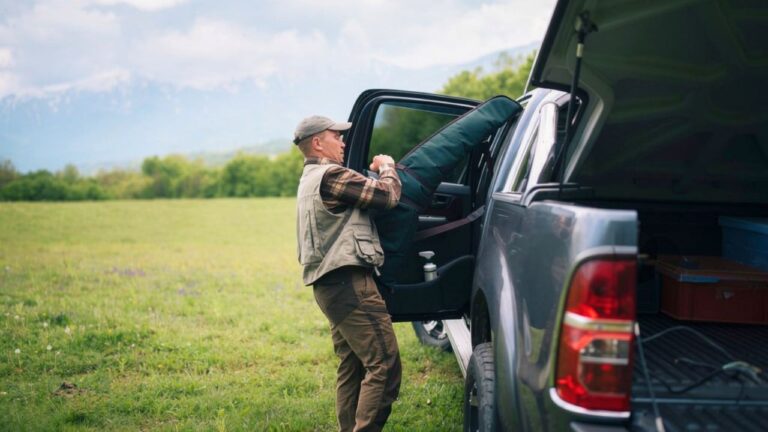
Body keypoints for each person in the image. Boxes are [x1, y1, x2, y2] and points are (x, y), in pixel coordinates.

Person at [294, 115, 402, 432]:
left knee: (352, 366)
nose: (342, 142)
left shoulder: (310, 178)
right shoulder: (331, 176)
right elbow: (387, 196)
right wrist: (387, 166)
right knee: (384, 363)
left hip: (331, 287)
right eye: (336, 136)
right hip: (348, 284)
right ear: (317, 142)